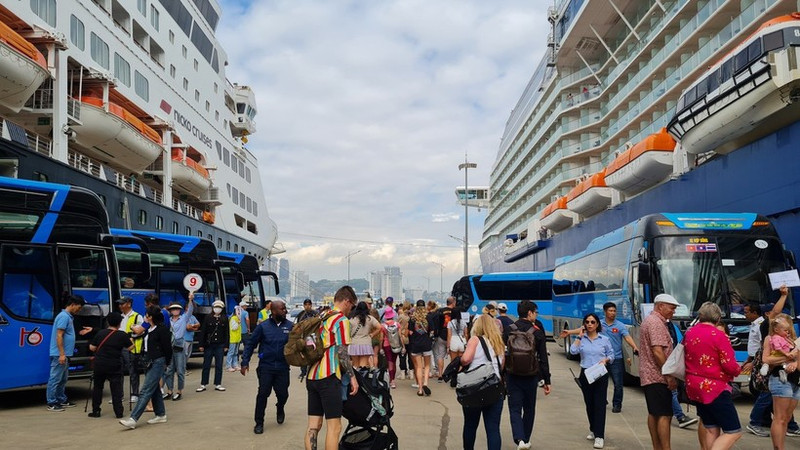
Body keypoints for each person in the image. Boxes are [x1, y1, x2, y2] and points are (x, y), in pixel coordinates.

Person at [305, 285, 359, 450]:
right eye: (352, 306)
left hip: (312, 375)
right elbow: (342, 353)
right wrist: (353, 377)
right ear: (347, 301)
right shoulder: (341, 321)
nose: (352, 309)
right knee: (335, 427)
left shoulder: (322, 315)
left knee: (314, 426)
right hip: (329, 377)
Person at [684, 302, 742, 450]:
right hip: (714, 388)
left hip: (694, 386)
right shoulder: (719, 336)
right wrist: (738, 370)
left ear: (700, 316)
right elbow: (729, 365)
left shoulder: (689, 332)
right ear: (717, 318)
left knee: (711, 428)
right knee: (733, 432)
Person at [744, 286, 798, 436]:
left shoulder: (785, 334)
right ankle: (755, 422)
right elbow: (766, 357)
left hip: (783, 371)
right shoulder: (768, 328)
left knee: (781, 397)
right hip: (770, 369)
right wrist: (784, 295)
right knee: (767, 394)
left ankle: (789, 425)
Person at [504, 300, 551, 450]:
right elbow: (543, 358)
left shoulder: (509, 329)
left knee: (515, 409)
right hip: (531, 375)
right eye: (536, 312)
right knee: (529, 409)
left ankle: (520, 440)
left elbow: (502, 354)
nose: (536, 315)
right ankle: (526, 438)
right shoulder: (537, 331)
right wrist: (546, 380)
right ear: (530, 313)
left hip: (512, 375)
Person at [241, 299, 293, 435]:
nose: (285, 311)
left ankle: (280, 406)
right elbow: (250, 344)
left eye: (285, 308)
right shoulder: (263, 327)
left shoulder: (291, 326)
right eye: (282, 309)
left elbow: (299, 343)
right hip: (266, 367)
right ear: (274, 311)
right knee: (263, 394)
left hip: (282, 367)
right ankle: (259, 422)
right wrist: (245, 361)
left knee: (283, 394)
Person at [119, 305, 173, 429]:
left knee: (145, 390)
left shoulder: (162, 330)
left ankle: (133, 418)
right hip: (148, 361)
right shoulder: (149, 329)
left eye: (146, 315)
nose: (145, 317)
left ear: (150, 317)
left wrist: (167, 363)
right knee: (154, 389)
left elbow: (167, 348)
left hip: (158, 362)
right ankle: (160, 414)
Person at [639, 293, 680, 450]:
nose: (673, 312)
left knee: (654, 412)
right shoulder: (656, 323)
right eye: (671, 308)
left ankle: (658, 447)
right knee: (664, 414)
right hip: (656, 376)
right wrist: (669, 375)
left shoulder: (651, 320)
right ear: (660, 306)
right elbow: (657, 352)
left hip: (650, 375)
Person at [460, 313, 506, 450]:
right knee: (493, 429)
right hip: (494, 388)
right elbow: (502, 365)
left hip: (474, 388)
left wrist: (461, 360)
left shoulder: (475, 340)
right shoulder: (498, 342)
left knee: (470, 425)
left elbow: (466, 359)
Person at [570, 312, 613, 449]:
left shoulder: (604, 339)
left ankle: (600, 436)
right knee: (589, 404)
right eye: (587, 322)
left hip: (600, 373)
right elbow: (573, 351)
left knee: (599, 404)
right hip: (586, 373)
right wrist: (579, 336)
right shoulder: (582, 339)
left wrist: (606, 360)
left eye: (592, 322)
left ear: (597, 324)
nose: (589, 324)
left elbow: (611, 354)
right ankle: (593, 429)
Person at [46, 295, 90, 411]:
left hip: (64, 354)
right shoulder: (64, 317)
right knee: (55, 378)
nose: (79, 310)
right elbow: (59, 335)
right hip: (59, 354)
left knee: (63, 379)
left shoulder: (68, 317)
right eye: (79, 307)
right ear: (73, 304)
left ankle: (61, 399)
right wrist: (61, 354)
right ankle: (52, 402)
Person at [763, 313, 800, 450]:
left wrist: (795, 363)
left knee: (787, 417)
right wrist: (787, 358)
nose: (786, 329)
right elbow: (766, 359)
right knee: (779, 417)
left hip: (796, 380)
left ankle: (781, 445)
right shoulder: (771, 339)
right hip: (780, 378)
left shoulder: (794, 340)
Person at [88, 311, 134, 418]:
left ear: (108, 322)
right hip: (114, 364)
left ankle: (96, 410)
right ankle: (118, 412)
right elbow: (130, 347)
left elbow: (92, 348)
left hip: (99, 364)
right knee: (116, 388)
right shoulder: (122, 335)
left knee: (98, 387)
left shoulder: (100, 333)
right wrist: (130, 340)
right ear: (119, 323)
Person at [163, 296, 195, 401]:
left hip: (180, 343)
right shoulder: (169, 320)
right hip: (169, 344)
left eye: (177, 309)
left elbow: (190, 310)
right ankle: (169, 391)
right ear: (170, 311)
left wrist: (190, 300)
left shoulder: (184, 318)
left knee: (180, 370)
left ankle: (179, 391)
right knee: (169, 369)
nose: (175, 311)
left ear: (180, 310)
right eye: (173, 309)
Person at [197, 299, 230, 392]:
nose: (217, 309)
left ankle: (218, 383)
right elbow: (203, 331)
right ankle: (203, 383)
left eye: (219, 307)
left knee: (219, 365)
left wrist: (226, 345)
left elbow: (226, 332)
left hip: (220, 344)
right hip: (209, 345)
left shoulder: (224, 318)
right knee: (206, 365)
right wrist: (201, 344)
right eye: (216, 307)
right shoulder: (208, 317)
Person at [117, 296, 145, 403]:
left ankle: (135, 393)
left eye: (122, 304)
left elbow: (141, 331)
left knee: (133, 371)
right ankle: (119, 394)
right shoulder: (120, 317)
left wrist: (131, 336)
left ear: (129, 304)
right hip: (120, 347)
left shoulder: (137, 316)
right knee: (119, 371)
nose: (120, 306)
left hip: (131, 347)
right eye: (119, 304)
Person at [409, 299, 433, 396]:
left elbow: (410, 332)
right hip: (426, 344)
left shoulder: (412, 319)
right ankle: (426, 383)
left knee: (418, 367)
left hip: (416, 344)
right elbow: (432, 331)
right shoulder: (429, 317)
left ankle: (419, 389)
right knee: (426, 366)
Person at [348, 301, 381, 368]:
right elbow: (379, 327)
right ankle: (363, 377)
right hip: (366, 343)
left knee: (355, 366)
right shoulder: (370, 318)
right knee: (363, 366)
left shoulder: (352, 320)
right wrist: (372, 334)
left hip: (354, 344)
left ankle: (356, 378)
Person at [296, 298, 319, 380]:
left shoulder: (315, 314)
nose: (307, 306)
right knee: (303, 355)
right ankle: (303, 372)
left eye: (309, 304)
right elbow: (297, 326)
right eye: (306, 305)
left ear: (311, 305)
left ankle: (313, 371)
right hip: (304, 337)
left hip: (313, 337)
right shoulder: (301, 315)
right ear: (304, 305)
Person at [432, 297, 454, 381]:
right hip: (451, 336)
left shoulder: (440, 311)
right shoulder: (454, 311)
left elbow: (437, 323)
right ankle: (452, 375)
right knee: (453, 357)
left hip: (441, 335)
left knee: (440, 356)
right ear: (453, 303)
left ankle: (440, 374)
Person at [380, 307, 400, 388]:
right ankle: (393, 379)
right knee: (394, 362)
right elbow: (400, 336)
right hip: (395, 345)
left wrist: (381, 347)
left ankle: (391, 380)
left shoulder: (383, 326)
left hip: (386, 345)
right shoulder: (397, 324)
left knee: (389, 362)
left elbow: (381, 338)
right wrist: (403, 346)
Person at [226, 304, 243, 372]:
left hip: (237, 338)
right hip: (232, 339)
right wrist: (238, 323)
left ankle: (235, 365)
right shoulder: (233, 318)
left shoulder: (238, 318)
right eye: (238, 311)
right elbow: (233, 328)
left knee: (236, 352)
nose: (239, 313)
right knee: (231, 352)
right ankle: (228, 365)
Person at [397, 302, 412, 379]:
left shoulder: (401, 316)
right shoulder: (411, 317)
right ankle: (411, 373)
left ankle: (403, 373)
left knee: (402, 356)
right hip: (410, 337)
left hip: (402, 336)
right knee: (410, 356)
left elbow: (397, 327)